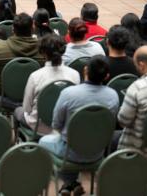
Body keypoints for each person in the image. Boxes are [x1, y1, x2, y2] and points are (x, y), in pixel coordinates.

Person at [39, 56, 119, 194]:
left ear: (85, 70)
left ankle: (68, 183)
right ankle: (72, 184)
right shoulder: (113, 96)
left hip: (69, 152)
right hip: (98, 152)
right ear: (107, 76)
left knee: (42, 141)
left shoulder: (69, 93)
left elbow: (56, 124)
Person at [15, 34, 80, 133]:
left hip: (39, 126)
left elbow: (27, 109)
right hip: (64, 126)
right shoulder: (75, 74)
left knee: (18, 110)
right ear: (63, 50)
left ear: (42, 53)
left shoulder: (35, 76)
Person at [0, 13, 44, 92]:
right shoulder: (44, 50)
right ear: (33, 28)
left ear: (12, 29)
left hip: (3, 96)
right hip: (33, 95)